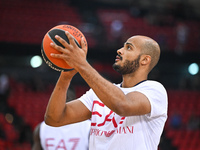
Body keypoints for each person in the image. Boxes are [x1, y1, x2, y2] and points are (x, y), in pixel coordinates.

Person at [44, 32, 168, 150]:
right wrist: (66, 76)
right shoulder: (98, 93)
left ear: (145, 60)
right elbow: (54, 119)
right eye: (123, 46)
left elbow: (123, 105)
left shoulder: (154, 90)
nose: (119, 50)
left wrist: (81, 64)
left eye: (129, 48)